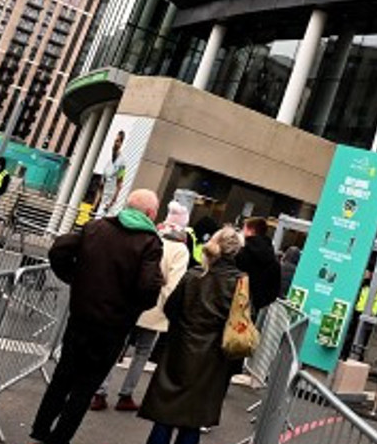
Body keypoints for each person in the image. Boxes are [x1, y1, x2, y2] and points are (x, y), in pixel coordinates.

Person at [30, 190, 164, 444]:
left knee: (63, 376)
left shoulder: (96, 227)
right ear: (149, 213)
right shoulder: (149, 242)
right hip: (113, 326)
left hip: (81, 316)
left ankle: (41, 428)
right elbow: (148, 287)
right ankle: (59, 438)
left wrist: (75, 278)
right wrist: (132, 307)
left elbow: (59, 249)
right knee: (85, 386)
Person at [138, 226, 247, 444]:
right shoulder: (240, 282)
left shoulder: (194, 275)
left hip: (180, 347)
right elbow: (241, 322)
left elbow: (171, 308)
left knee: (165, 414)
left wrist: (182, 326)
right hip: (213, 356)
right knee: (193, 418)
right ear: (236, 251)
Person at [92, 203, 192, 412]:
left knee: (117, 346)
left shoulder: (151, 238)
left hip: (132, 301)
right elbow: (174, 284)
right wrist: (166, 308)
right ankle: (126, 395)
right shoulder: (181, 250)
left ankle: (100, 392)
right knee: (142, 352)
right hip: (156, 308)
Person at [97, 130, 127, 218]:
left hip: (110, 204)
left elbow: (119, 184)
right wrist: (96, 203)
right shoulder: (108, 163)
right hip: (102, 202)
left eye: (117, 141)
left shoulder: (122, 163)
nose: (114, 144)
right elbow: (101, 185)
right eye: (114, 141)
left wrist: (112, 202)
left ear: (121, 143)